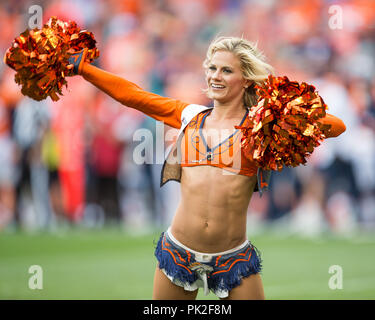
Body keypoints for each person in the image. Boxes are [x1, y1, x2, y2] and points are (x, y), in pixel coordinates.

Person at [68, 37, 346, 300]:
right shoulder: (189, 115)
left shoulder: (261, 127)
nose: (215, 75)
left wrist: (273, 104)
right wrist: (85, 69)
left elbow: (336, 127)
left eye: (226, 70)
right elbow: (132, 95)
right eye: (212, 68)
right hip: (178, 252)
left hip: (233, 257)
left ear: (246, 78)